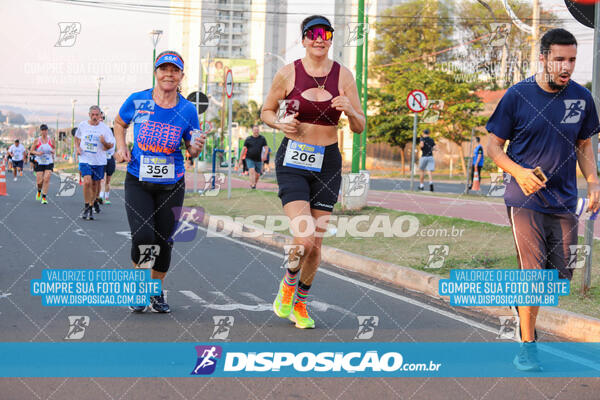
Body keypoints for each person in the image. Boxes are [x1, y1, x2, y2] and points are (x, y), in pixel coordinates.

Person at [486, 28, 599, 371]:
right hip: (524, 199)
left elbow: (583, 146)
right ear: (544, 58)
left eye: (573, 60)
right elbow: (492, 146)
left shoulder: (582, 98)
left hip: (564, 200)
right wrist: (518, 172)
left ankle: (520, 305)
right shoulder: (518, 95)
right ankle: (528, 346)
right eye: (560, 59)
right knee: (533, 275)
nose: (567, 67)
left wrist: (593, 182)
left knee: (558, 277)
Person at [261, 15, 365, 329]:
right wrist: (279, 123)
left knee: (317, 245)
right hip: (293, 160)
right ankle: (288, 284)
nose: (319, 39)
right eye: (313, 33)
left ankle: (300, 304)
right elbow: (266, 111)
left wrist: (349, 109)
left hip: (328, 162)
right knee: (304, 239)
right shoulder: (288, 72)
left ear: (331, 39)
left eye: (326, 33)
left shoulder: (344, 75)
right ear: (304, 39)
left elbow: (360, 125)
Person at [113, 50, 205, 313]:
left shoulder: (187, 109)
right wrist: (121, 147)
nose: (169, 74)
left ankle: (156, 292)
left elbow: (193, 149)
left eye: (174, 70)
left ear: (181, 76)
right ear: (156, 73)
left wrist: (197, 147)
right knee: (143, 236)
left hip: (172, 182)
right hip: (137, 178)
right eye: (164, 69)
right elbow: (119, 123)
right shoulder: (138, 99)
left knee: (164, 241)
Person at [75, 106, 114, 220]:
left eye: (97, 115)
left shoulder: (105, 129)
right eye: (93, 114)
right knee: (87, 182)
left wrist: (104, 142)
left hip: (99, 161)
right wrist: (77, 148)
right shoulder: (83, 125)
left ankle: (92, 205)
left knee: (95, 185)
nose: (95, 117)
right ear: (89, 115)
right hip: (85, 159)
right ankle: (87, 206)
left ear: (100, 116)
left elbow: (110, 146)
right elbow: (77, 138)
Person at [29, 124, 55, 204]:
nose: (44, 132)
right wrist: (37, 153)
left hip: (48, 161)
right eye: (43, 130)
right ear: (40, 131)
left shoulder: (51, 140)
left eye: (45, 130)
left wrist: (53, 151)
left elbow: (54, 148)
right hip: (39, 161)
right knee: (39, 181)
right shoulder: (37, 140)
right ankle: (39, 191)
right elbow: (31, 151)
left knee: (47, 178)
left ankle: (44, 197)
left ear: (47, 131)